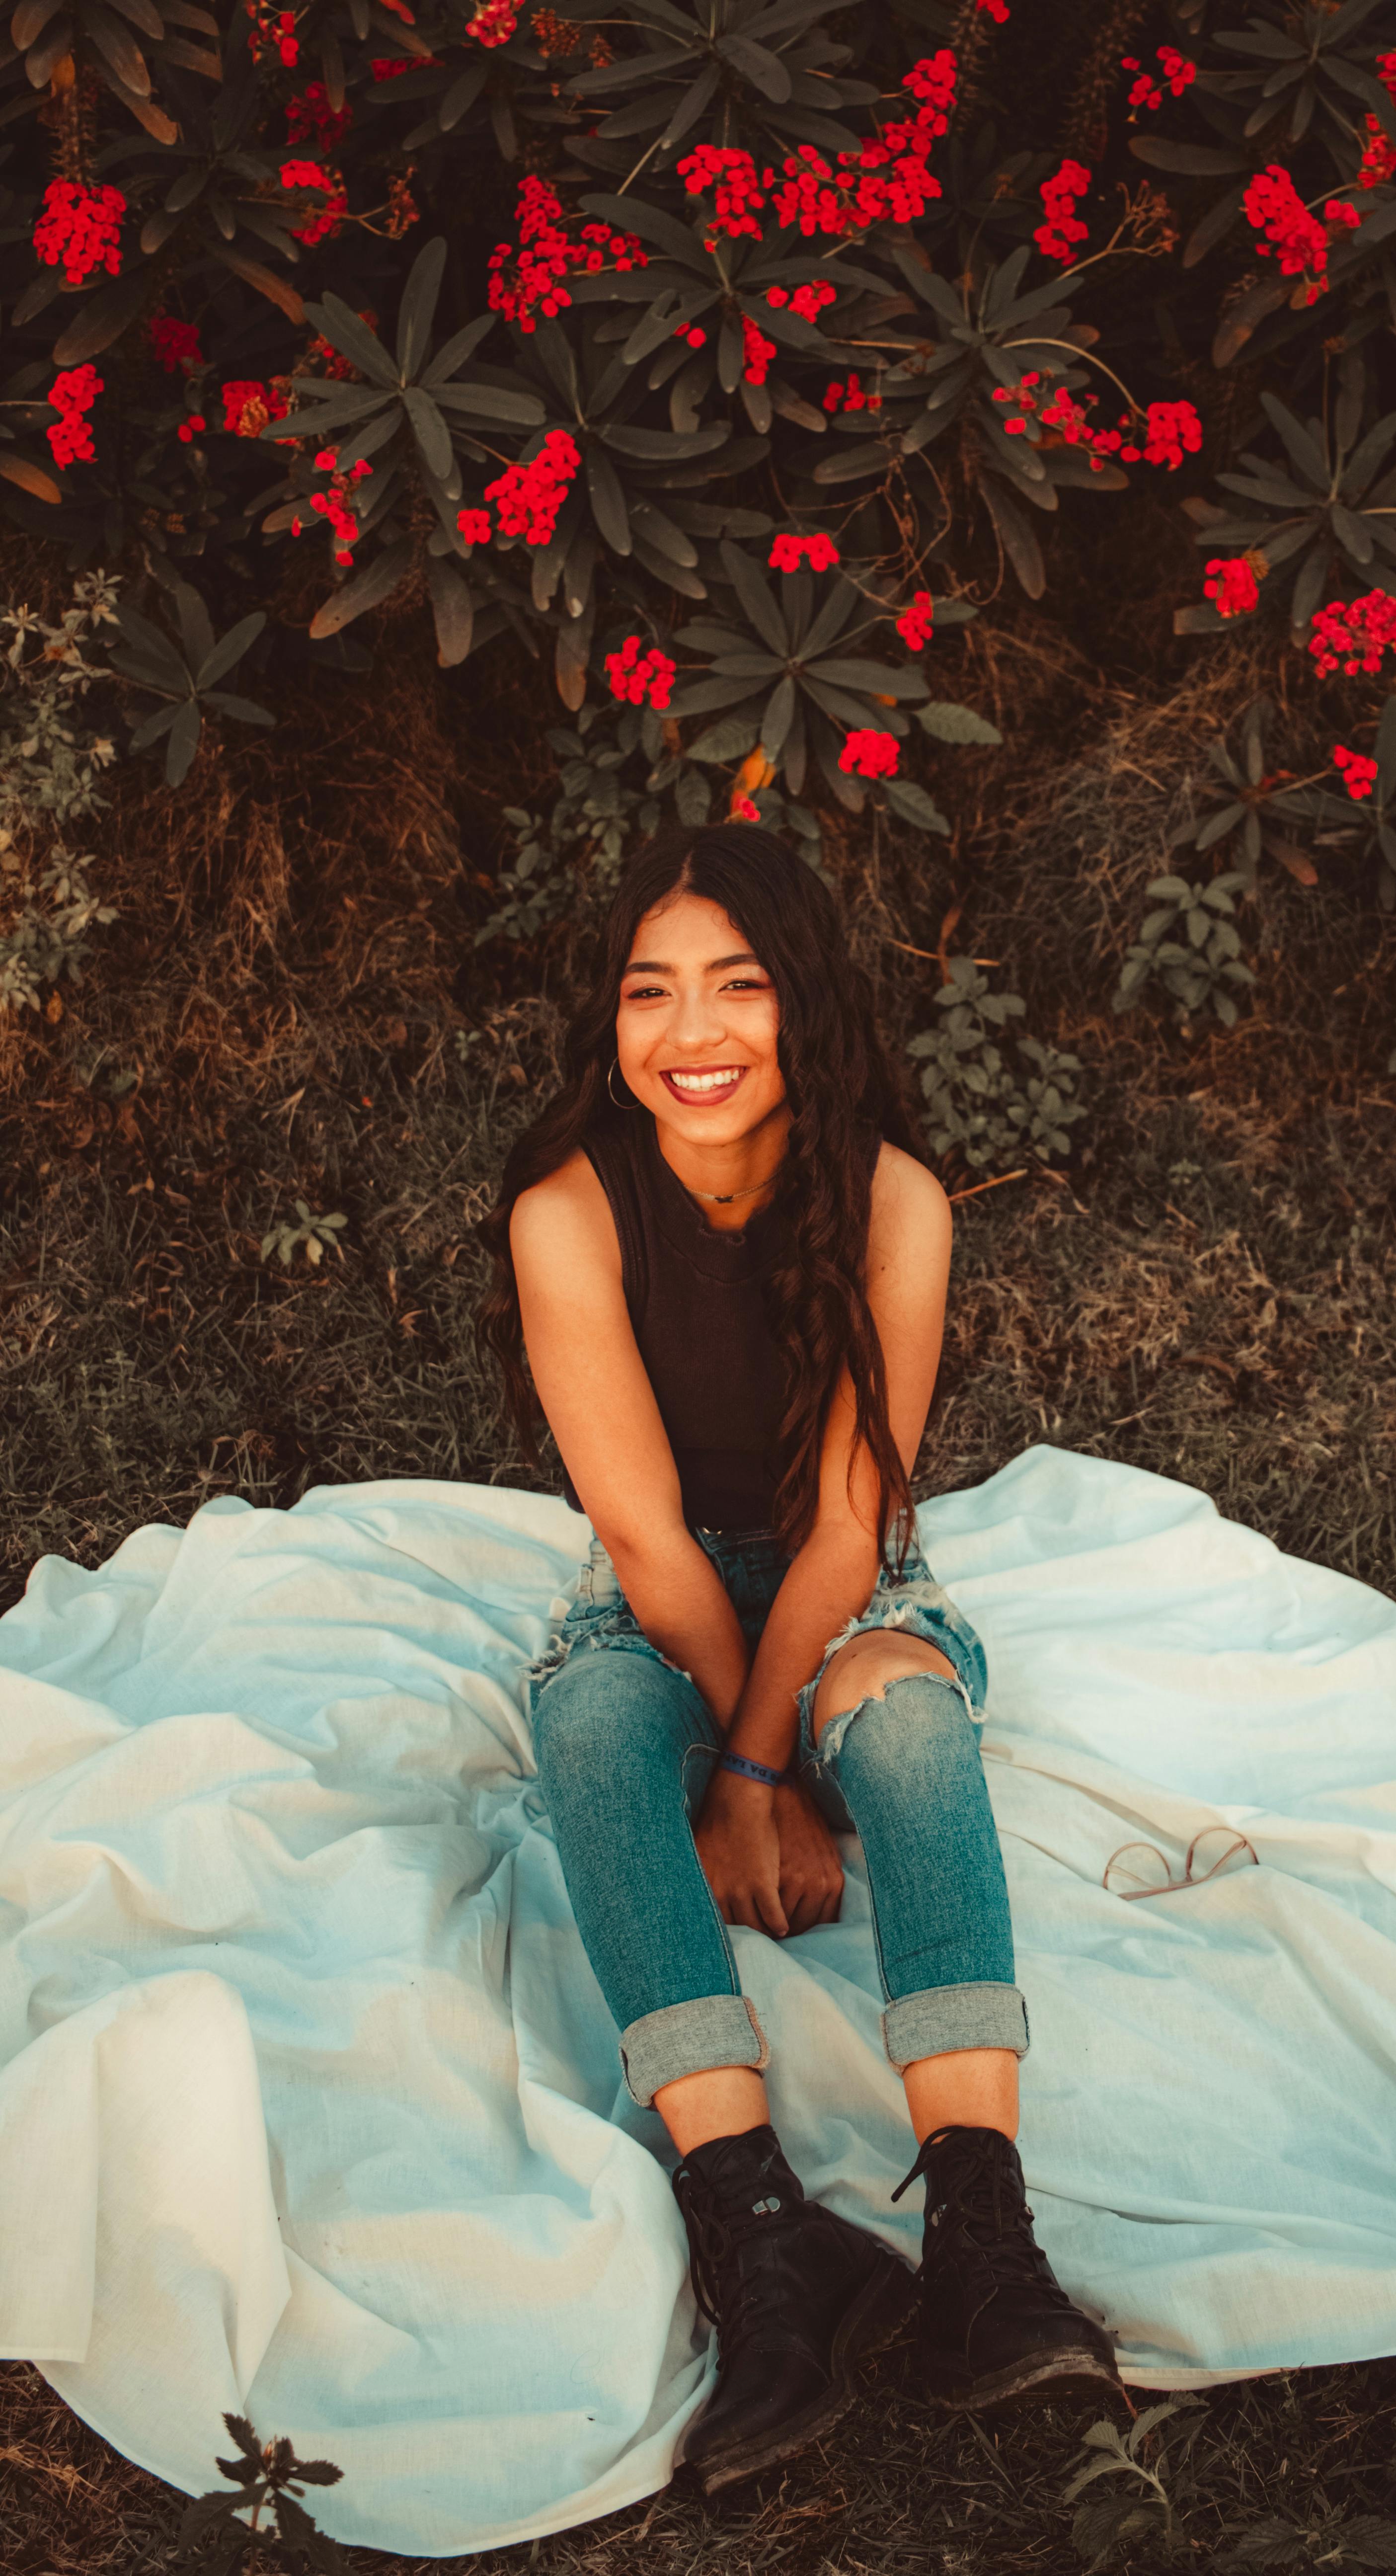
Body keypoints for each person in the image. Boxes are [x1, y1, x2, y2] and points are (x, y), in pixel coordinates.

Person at [477, 824, 1122, 2493]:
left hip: (847, 1578)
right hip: (660, 1589)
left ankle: (981, 2237)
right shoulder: (568, 1207)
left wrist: (767, 1778)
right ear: (608, 1024)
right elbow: (646, 1547)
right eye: (650, 992)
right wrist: (721, 1769)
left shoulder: (894, 1196)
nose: (693, 1033)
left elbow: (847, 1533)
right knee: (599, 1734)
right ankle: (765, 2235)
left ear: (806, 1005)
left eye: (738, 987)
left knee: (903, 1735)